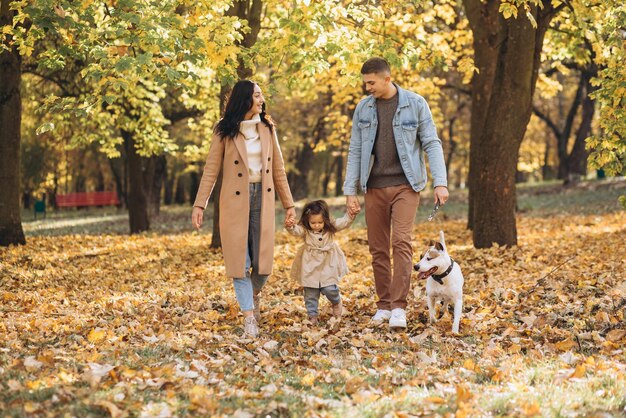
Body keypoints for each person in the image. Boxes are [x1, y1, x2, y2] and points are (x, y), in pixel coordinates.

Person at [343, 57, 449, 329]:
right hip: (374, 187)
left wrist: (441, 182)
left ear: (387, 78)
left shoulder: (415, 103)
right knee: (377, 248)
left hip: (406, 185)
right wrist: (350, 191)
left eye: (371, 82)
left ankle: (399, 307)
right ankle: (384, 305)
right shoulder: (363, 109)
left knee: (401, 242)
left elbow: (432, 143)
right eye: (364, 82)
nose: (367, 87)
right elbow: (355, 149)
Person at [191, 80, 296, 338]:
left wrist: (290, 205)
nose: (261, 100)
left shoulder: (268, 128)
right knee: (240, 263)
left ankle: (253, 293)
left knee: (264, 265)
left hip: (264, 196)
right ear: (244, 100)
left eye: (261, 96)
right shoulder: (224, 129)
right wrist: (199, 203)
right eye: (257, 96)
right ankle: (249, 317)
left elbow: (279, 170)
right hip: (234, 201)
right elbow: (211, 169)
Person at [285, 200, 356, 325]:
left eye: (320, 222)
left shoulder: (330, 227)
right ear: (307, 221)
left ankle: (336, 302)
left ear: (325, 220)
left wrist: (350, 215)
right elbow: (296, 230)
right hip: (310, 264)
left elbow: (343, 222)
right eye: (313, 223)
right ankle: (312, 315)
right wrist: (290, 226)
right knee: (310, 292)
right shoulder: (305, 230)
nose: (317, 225)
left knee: (329, 288)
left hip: (327, 263)